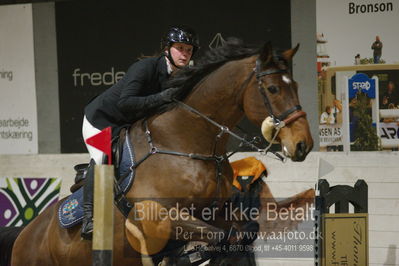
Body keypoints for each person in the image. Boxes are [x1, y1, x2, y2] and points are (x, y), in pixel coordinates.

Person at [80, 25, 199, 239]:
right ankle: (90, 219)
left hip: (127, 125)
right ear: (167, 49)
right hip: (100, 119)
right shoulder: (145, 67)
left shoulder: (182, 76)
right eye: (180, 48)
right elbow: (126, 103)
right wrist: (163, 97)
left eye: (189, 50)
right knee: (102, 156)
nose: (184, 54)